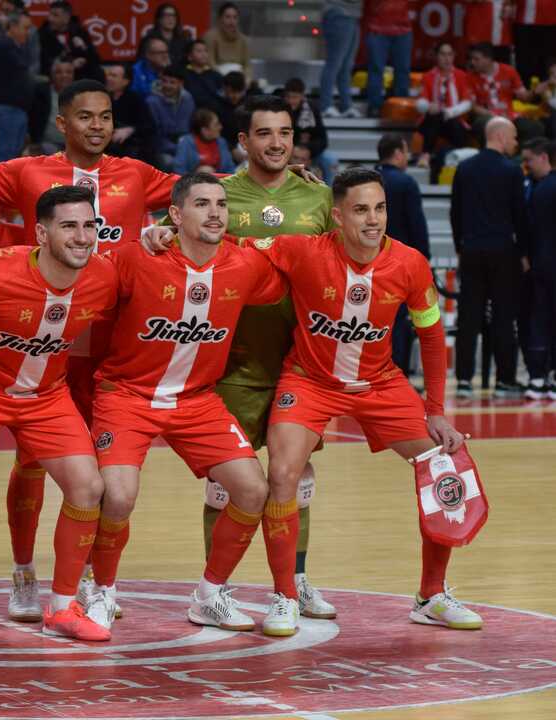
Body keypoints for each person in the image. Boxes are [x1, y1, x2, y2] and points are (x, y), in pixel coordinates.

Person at [256, 167, 481, 635]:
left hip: (380, 384)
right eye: (361, 210)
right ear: (336, 216)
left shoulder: (411, 264)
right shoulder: (301, 250)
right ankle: (284, 597)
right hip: (310, 381)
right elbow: (233, 250)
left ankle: (431, 595)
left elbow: (433, 337)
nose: (373, 219)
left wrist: (436, 411)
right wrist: (164, 237)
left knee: (443, 463)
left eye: (379, 208)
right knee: (281, 475)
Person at [0, 80, 178, 624]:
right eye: (85, 117)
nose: (97, 125)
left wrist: (275, 181)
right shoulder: (26, 171)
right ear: (62, 123)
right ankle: (23, 571)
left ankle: (89, 579)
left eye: (105, 116)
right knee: (29, 461)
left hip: (115, 351)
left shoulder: (137, 174)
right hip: (45, 342)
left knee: (99, 473)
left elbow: (203, 193)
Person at [92, 172, 288, 632]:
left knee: (252, 490)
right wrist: (144, 235)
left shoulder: (245, 265)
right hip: (126, 395)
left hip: (197, 401)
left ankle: (210, 595)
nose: (215, 212)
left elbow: (288, 269)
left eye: (221, 204)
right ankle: (100, 590)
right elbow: (82, 271)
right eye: (202, 204)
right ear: (175, 215)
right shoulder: (137, 257)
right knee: (117, 497)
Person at [0, 185, 116, 647]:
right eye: (69, 226)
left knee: (88, 486)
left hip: (46, 397)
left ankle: (62, 607)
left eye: (89, 226)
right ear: (41, 232)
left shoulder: (105, 277)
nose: (82, 237)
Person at [184, 95, 336, 623]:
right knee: (226, 485)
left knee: (296, 476)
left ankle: (294, 580)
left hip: (301, 364)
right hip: (229, 364)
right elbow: (170, 237)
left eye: (286, 133)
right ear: (243, 142)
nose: (277, 143)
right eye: (265, 133)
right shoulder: (217, 196)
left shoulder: (319, 198)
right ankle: (215, 590)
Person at [450, 116, 526, 398]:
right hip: (504, 251)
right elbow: (520, 217)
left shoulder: (465, 168)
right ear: (501, 136)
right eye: (514, 136)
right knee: (504, 318)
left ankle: (464, 381)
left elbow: (455, 212)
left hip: (471, 250)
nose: (516, 142)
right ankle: (505, 380)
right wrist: (524, 253)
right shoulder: (512, 171)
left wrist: (460, 246)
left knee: (468, 318)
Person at [376, 133, 430, 375]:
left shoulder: (370, 180)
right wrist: (423, 259)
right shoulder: (406, 183)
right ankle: (397, 373)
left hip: (368, 260)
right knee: (399, 320)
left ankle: (372, 371)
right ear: (398, 153)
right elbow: (417, 224)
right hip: (399, 262)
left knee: (373, 318)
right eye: (406, 152)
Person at [525, 139, 556, 400]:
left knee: (539, 320)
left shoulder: (539, 190)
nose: (527, 165)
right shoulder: (540, 187)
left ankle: (536, 377)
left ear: (544, 157)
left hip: (539, 263)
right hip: (545, 263)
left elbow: (529, 229)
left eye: (530, 160)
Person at [0, 10, 34, 162]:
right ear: (12, 27)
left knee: (15, 157)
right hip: (4, 109)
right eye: (25, 28)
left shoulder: (18, 48)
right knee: (5, 158)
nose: (28, 32)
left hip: (18, 109)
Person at [416, 42, 473, 175]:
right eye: (443, 54)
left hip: (454, 121)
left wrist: (449, 112)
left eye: (450, 54)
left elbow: (467, 103)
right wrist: (428, 106)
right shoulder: (428, 76)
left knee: (452, 122)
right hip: (432, 120)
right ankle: (425, 155)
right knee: (435, 116)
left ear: (454, 56)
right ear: (436, 56)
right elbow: (419, 103)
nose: (447, 58)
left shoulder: (462, 76)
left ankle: (446, 159)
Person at [283, 77, 339, 184]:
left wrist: (309, 150)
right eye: (288, 97)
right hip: (286, 152)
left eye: (295, 97)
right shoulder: (279, 110)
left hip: (310, 153)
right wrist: (292, 150)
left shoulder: (312, 109)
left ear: (302, 96)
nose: (291, 101)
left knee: (330, 159)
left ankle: (330, 193)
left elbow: (323, 139)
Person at [364, 0, 412, 117]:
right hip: (378, 27)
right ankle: (374, 106)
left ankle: (401, 105)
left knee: (403, 69)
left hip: (403, 28)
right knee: (376, 69)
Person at [318, 0, 363, 119]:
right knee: (334, 63)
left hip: (352, 16)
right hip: (338, 14)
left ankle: (346, 105)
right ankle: (326, 105)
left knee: (346, 65)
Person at [39, 1, 103, 83]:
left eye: (55, 15)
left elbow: (95, 58)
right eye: (50, 14)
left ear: (66, 18)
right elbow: (43, 61)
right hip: (54, 75)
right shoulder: (42, 34)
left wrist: (84, 49)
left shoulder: (79, 31)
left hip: (78, 76)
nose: (50, 19)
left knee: (98, 72)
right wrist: (71, 63)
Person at [146, 63, 195, 169]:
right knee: (169, 162)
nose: (167, 85)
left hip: (184, 144)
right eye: (164, 81)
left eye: (172, 82)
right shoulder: (151, 102)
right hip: (162, 147)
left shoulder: (187, 99)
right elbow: (155, 135)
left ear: (181, 83)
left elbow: (188, 127)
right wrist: (178, 148)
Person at [105, 64, 154, 162]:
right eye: (108, 75)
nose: (108, 78)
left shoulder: (135, 99)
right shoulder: (102, 98)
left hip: (131, 149)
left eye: (113, 76)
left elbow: (149, 127)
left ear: (125, 81)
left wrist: (130, 130)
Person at [468, 42, 528, 120]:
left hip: (509, 115)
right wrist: (494, 115)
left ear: (488, 59)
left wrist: (534, 92)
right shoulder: (469, 77)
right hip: (486, 117)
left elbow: (523, 97)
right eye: (471, 59)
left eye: (476, 59)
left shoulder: (509, 71)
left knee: (533, 127)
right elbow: (471, 106)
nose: (472, 62)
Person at [0, 0, 41, 78]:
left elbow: (34, 63)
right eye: (2, 10)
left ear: (19, 13)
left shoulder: (31, 30)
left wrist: (24, 80)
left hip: (24, 77)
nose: (4, 16)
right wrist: (6, 30)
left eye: (8, 12)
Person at [174, 108, 234, 173]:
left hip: (220, 181)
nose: (220, 127)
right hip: (193, 181)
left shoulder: (222, 142)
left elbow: (230, 169)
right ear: (205, 130)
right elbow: (178, 171)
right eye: (216, 125)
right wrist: (196, 174)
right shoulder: (185, 143)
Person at [512, 0, 556, 88]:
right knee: (525, 65)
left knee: (549, 65)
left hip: (551, 25)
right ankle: (525, 94)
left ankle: (548, 97)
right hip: (526, 25)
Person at [35, 57, 76, 152]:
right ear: (52, 75)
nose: (64, 75)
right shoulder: (41, 92)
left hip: (75, 146)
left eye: (68, 72)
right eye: (59, 72)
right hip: (49, 144)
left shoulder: (82, 94)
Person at [202, 3, 251, 80]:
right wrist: (226, 81)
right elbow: (210, 64)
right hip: (217, 79)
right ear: (220, 19)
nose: (232, 22)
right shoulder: (210, 37)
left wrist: (247, 81)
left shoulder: (243, 40)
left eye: (235, 17)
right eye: (228, 17)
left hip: (239, 81)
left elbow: (247, 66)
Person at [142, 3, 189, 67]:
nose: (171, 19)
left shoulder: (184, 40)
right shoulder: (149, 40)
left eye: (173, 16)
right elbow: (142, 63)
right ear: (159, 19)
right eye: (167, 15)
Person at [183, 39, 224, 112]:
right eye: (199, 51)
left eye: (206, 51)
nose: (204, 54)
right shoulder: (183, 74)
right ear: (189, 56)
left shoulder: (215, 75)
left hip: (212, 112)